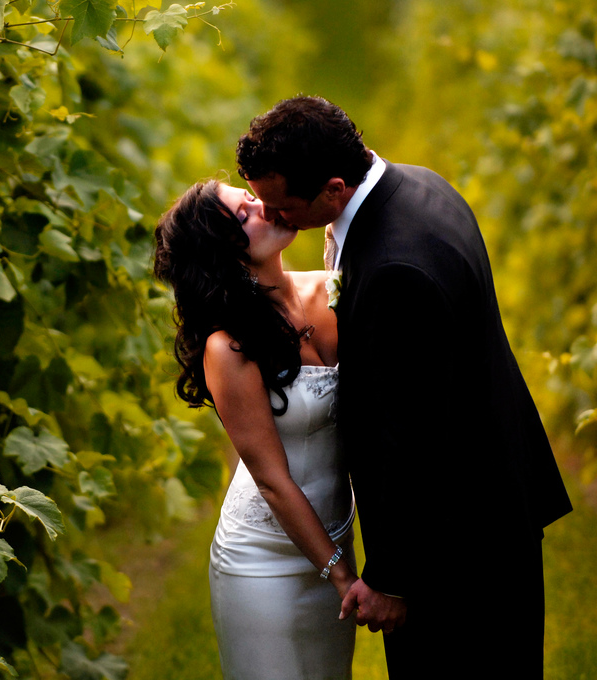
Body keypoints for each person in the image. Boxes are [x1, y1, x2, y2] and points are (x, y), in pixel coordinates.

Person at [235, 95, 573, 677]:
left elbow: (410, 437)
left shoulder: (396, 271)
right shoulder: (420, 184)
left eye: (280, 204)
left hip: (457, 544)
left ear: (334, 189)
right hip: (494, 500)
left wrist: (392, 577)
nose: (273, 215)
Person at [154, 180, 358, 679]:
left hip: (337, 533)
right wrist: (340, 574)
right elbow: (270, 477)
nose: (263, 208)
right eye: (244, 217)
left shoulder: (332, 289)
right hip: (264, 561)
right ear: (223, 255)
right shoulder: (229, 347)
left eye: (249, 199)